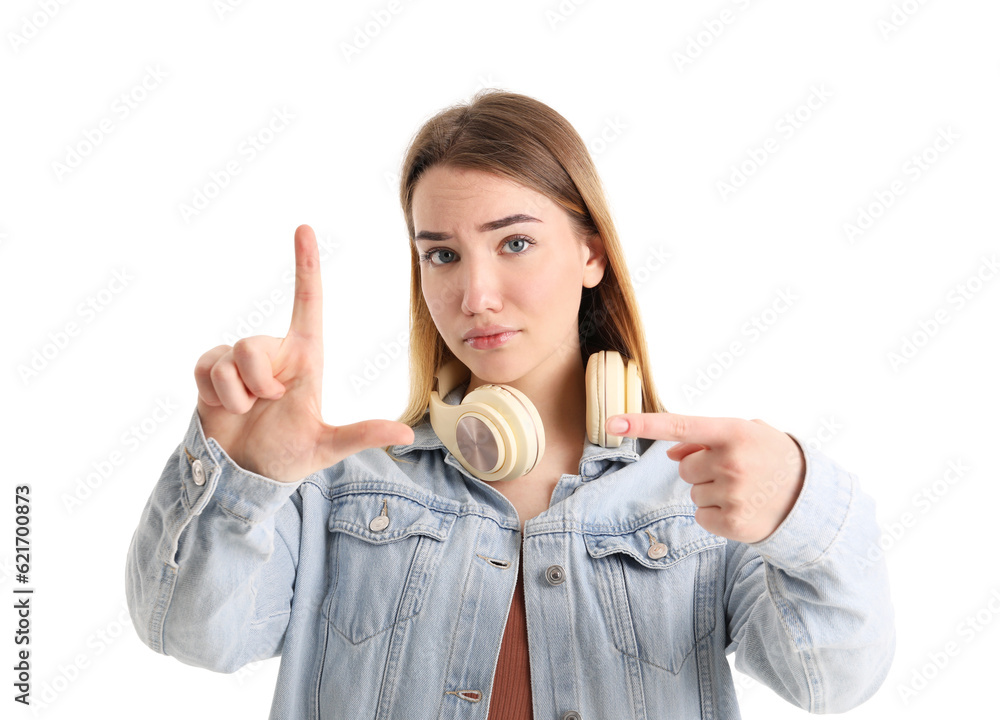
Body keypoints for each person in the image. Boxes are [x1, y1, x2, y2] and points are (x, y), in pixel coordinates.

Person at [125, 90, 895, 719]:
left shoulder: (702, 491)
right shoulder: (340, 487)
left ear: (591, 253)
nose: (475, 295)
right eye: (442, 254)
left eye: (515, 243)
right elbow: (193, 635)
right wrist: (241, 475)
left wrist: (798, 494)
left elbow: (834, 679)